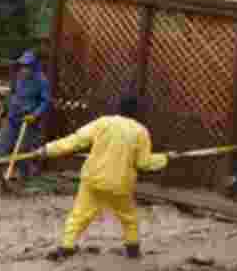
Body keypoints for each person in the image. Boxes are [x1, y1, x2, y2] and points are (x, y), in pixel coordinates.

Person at [35, 95, 171, 261]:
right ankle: (133, 249)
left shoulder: (103, 123)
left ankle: (67, 246)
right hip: (119, 183)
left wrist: (47, 150)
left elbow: (75, 141)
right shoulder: (140, 131)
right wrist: (163, 159)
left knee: (79, 215)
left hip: (93, 178)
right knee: (129, 217)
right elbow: (143, 163)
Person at [0, 50, 51, 179]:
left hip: (28, 121)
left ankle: (24, 176)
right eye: (23, 66)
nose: (24, 69)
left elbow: (46, 102)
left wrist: (35, 115)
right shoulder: (17, 77)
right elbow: (11, 93)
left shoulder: (42, 81)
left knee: (22, 150)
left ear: (34, 66)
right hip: (12, 117)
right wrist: (4, 107)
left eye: (28, 66)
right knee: (1, 145)